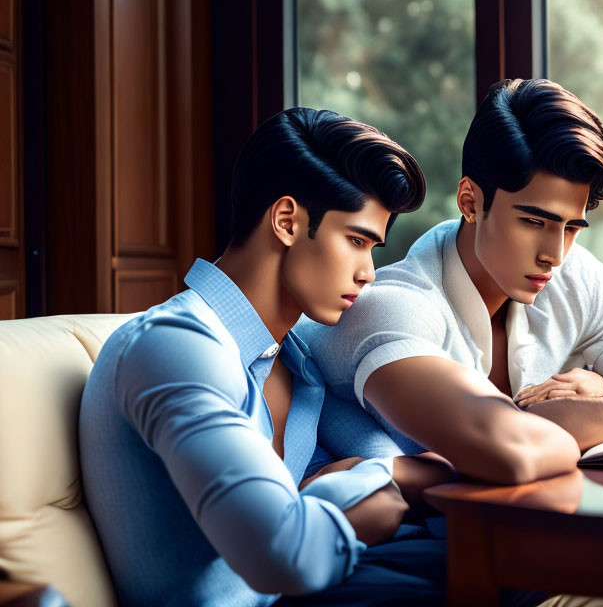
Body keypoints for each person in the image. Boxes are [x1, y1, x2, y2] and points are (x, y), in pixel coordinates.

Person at [297, 78, 603, 483]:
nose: (554, 254)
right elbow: (513, 447)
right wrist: (569, 416)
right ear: (470, 202)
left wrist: (599, 396)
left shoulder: (574, 278)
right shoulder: (393, 307)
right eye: (533, 221)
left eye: (571, 226)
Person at [79, 107, 455, 607]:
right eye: (357, 241)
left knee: (501, 561)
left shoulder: (297, 360)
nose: (369, 272)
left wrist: (379, 474)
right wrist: (378, 479)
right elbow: (289, 551)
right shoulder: (176, 346)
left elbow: (416, 462)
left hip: (325, 586)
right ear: (286, 221)